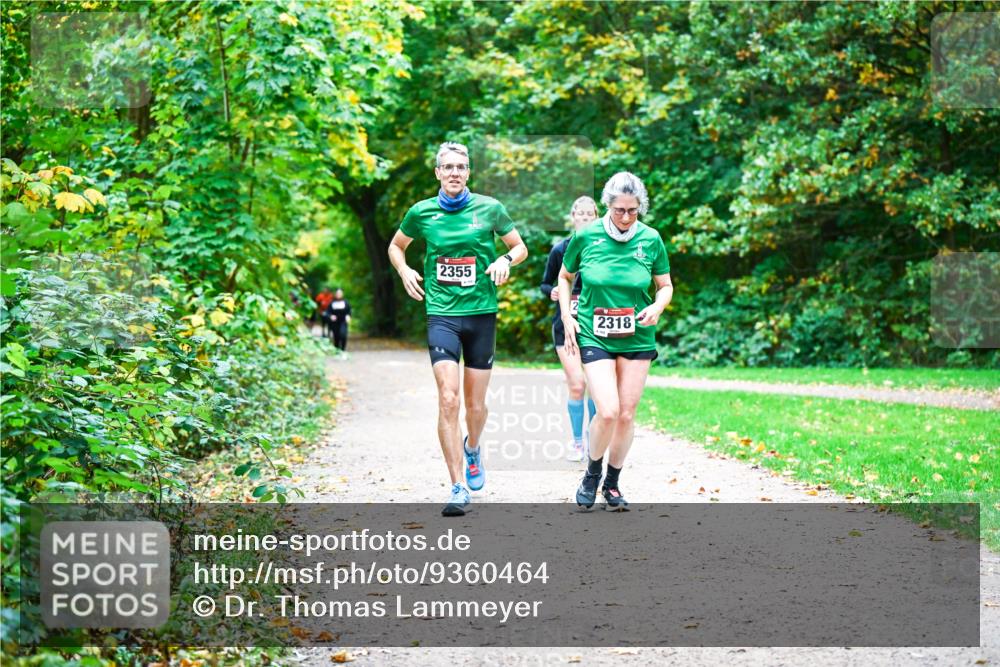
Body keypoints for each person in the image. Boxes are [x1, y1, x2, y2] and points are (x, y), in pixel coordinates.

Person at [388, 141, 527, 516]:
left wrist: (505, 259)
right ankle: (456, 486)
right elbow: (396, 247)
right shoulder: (422, 212)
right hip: (442, 314)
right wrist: (405, 269)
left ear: (469, 172)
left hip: (481, 312)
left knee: (475, 406)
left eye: (461, 167)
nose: (454, 172)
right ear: (437, 172)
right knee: (448, 398)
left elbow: (520, 247)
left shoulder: (490, 209)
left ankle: (473, 447)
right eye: (447, 167)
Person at [558, 172, 673, 511]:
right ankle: (591, 473)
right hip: (596, 332)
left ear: (640, 208)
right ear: (607, 205)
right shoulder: (587, 236)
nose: (625, 218)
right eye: (619, 210)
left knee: (626, 414)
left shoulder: (651, 239)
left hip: (637, 333)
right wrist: (567, 315)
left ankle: (612, 484)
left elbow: (665, 286)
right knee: (607, 411)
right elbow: (565, 278)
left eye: (633, 211)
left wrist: (657, 305)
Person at [540, 196, 598, 462]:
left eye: (590, 214)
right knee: (577, 384)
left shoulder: (603, 249)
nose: (585, 218)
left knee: (598, 387)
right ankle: (577, 442)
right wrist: (552, 291)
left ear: (596, 217)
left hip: (596, 326)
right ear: (573, 217)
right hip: (565, 326)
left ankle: (594, 438)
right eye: (581, 214)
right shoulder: (560, 249)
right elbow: (545, 283)